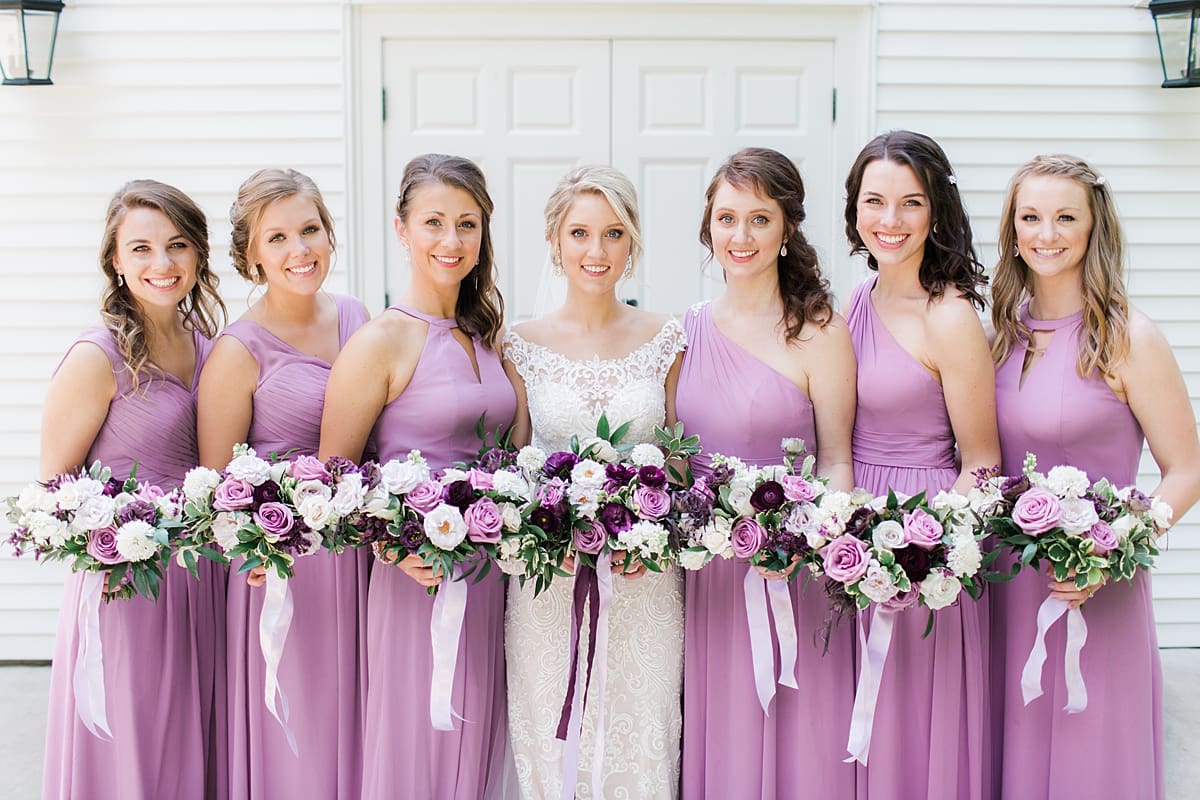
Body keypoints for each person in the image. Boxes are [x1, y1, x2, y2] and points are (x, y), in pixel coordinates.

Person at [989, 154, 1200, 800]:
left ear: (1092, 227)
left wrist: (1113, 552)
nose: (1045, 234)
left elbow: (1186, 470)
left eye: (1063, 218)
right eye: (1031, 217)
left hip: (1097, 592)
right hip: (1006, 589)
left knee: (1091, 764)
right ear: (1013, 230)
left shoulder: (1128, 338)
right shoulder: (998, 336)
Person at [318, 153, 517, 799]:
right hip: (417, 581)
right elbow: (334, 480)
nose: (452, 240)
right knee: (416, 754)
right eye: (433, 222)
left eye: (467, 223)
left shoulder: (487, 334)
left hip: (490, 579)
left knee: (477, 745)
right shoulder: (380, 341)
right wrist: (391, 545)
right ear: (402, 230)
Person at [676, 147, 857, 799]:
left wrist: (806, 542)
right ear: (709, 228)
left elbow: (838, 457)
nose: (741, 236)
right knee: (720, 740)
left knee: (799, 742)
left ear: (786, 229)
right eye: (727, 218)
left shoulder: (820, 332)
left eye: (759, 218)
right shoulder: (684, 332)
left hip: (793, 569)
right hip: (708, 581)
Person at [40, 179, 227, 800]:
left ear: (198, 255)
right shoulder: (97, 358)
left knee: (193, 739)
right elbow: (51, 490)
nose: (162, 264)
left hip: (203, 579)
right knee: (134, 741)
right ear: (115, 261)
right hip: (127, 587)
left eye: (176, 245)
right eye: (141, 248)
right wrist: (119, 537)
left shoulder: (211, 351)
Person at [503, 165, 686, 799]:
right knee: (552, 741)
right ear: (554, 242)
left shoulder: (667, 338)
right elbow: (511, 468)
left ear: (632, 244)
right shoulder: (519, 344)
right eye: (579, 233)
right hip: (548, 585)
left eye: (613, 234)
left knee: (645, 733)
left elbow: (682, 465)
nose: (596, 251)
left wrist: (650, 531)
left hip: (646, 585)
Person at [196, 168, 370, 800]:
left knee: (357, 720)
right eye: (278, 238)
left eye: (310, 229)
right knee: (295, 731)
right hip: (279, 573)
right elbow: (218, 489)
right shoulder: (236, 352)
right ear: (250, 254)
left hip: (359, 561)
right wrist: (266, 543)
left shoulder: (359, 318)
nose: (300, 250)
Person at [842, 130, 999, 799]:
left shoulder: (950, 315)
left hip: (922, 540)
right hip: (849, 537)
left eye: (910, 203)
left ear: (936, 211)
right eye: (875, 201)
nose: (891, 220)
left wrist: (922, 550)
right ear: (854, 210)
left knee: (913, 731)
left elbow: (983, 463)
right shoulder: (848, 303)